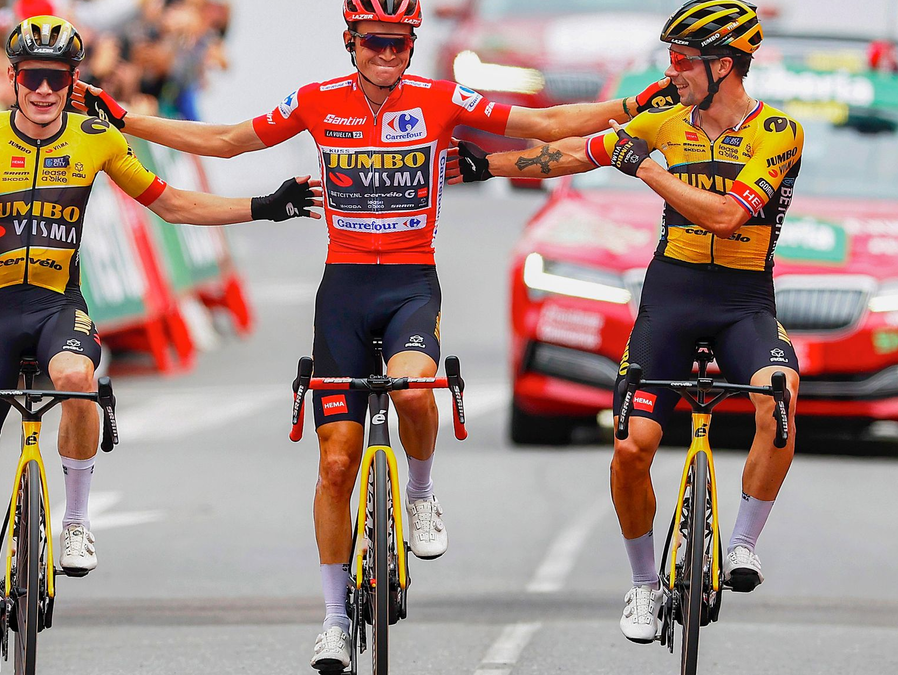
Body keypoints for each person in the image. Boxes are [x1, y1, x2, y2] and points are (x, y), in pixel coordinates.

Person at [73, 0, 681, 669]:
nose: (387, 55)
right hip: (344, 290)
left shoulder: (439, 97)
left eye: (399, 44)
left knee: (416, 393)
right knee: (336, 464)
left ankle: (419, 495)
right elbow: (227, 139)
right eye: (374, 43)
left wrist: (629, 108)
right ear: (350, 42)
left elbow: (545, 123)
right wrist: (126, 117)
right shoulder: (316, 100)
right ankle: (334, 617)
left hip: (410, 287)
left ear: (412, 45)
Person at [0, 15, 320, 674]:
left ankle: (76, 519)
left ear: (73, 82)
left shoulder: (95, 138)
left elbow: (172, 204)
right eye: (34, 77)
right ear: (13, 78)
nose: (45, 91)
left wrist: (264, 205)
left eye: (58, 79)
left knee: (77, 376)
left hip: (59, 308)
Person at [452, 0, 801, 646]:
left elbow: (728, 216)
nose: (672, 71)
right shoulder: (663, 121)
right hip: (672, 297)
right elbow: (569, 156)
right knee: (630, 445)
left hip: (745, 303)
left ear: (725, 66)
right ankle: (643, 581)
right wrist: (484, 164)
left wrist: (647, 169)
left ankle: (745, 543)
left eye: (684, 60)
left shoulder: (778, 132)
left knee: (779, 395)